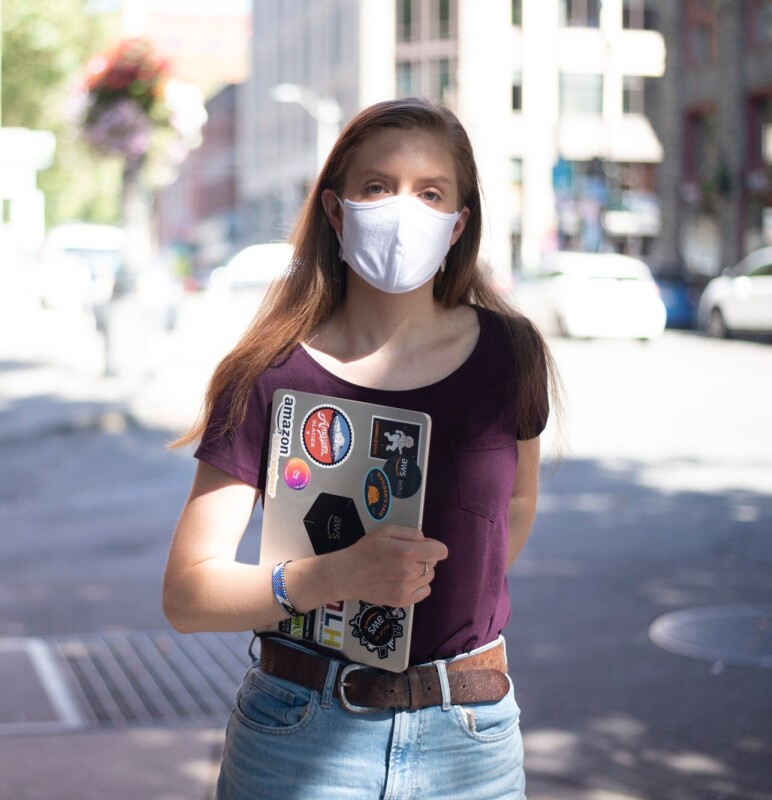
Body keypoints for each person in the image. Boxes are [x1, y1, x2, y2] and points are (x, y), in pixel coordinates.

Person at [163, 97, 559, 799]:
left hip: (471, 740)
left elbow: (519, 500)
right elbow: (188, 593)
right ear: (336, 208)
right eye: (377, 186)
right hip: (297, 734)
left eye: (430, 192)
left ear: (459, 222)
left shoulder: (511, 354)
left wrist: (455, 593)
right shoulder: (268, 372)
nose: (403, 210)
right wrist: (330, 579)